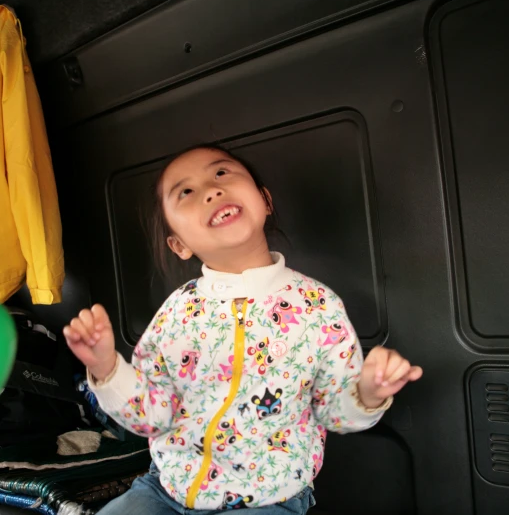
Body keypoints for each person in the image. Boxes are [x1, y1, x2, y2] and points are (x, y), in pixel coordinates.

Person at [63, 145, 423, 514]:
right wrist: (107, 369)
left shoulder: (317, 306)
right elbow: (150, 417)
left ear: (264, 200)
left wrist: (368, 392)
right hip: (167, 487)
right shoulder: (176, 313)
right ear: (179, 244)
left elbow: (334, 411)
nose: (211, 191)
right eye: (185, 192)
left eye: (222, 173)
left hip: (268, 498)